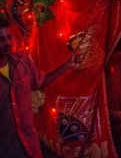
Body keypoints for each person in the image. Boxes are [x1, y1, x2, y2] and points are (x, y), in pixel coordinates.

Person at [0, 20, 77, 158]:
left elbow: (41, 81)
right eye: (1, 39)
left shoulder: (22, 62)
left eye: (9, 37)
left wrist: (67, 65)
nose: (7, 43)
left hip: (28, 144)